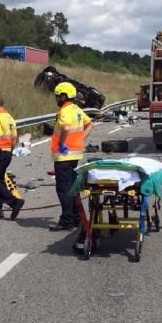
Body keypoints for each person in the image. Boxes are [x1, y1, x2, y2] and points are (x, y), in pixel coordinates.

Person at [49, 81, 92, 231]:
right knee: (73, 187)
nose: (56, 99)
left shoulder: (65, 111)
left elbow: (66, 127)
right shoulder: (77, 109)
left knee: (63, 189)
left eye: (57, 96)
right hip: (75, 155)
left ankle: (66, 220)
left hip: (64, 156)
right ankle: (75, 218)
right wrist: (80, 139)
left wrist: (62, 143)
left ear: (63, 96)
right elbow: (89, 124)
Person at [0, 96, 25, 220]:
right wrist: (10, 152)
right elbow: (14, 140)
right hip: (7, 153)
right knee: (0, 180)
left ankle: (14, 202)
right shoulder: (10, 118)